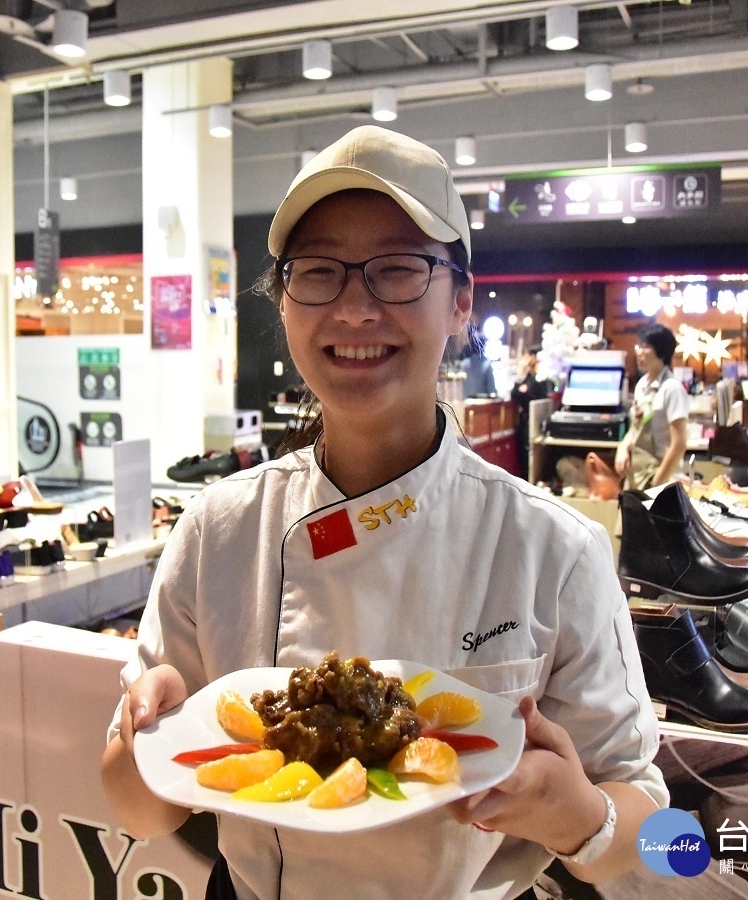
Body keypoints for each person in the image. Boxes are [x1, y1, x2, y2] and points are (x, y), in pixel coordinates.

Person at [101, 125, 667, 899]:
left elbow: (657, 836)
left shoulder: (553, 548)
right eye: (319, 272)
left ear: (461, 299)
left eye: (398, 270)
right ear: (284, 299)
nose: (356, 310)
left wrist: (578, 818)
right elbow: (138, 812)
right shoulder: (220, 530)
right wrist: (141, 736)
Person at [614, 323, 689, 490]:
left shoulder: (672, 389)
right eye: (639, 346)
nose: (639, 352)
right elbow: (635, 428)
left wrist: (657, 483)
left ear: (661, 352)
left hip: (661, 477)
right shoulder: (642, 385)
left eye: (646, 347)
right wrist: (623, 447)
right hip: (638, 474)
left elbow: (679, 444)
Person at [510, 345, 550, 479]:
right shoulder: (527, 377)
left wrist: (522, 385)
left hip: (533, 420)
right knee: (523, 456)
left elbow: (530, 393)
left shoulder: (540, 379)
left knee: (529, 456)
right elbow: (514, 394)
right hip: (525, 420)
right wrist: (520, 377)